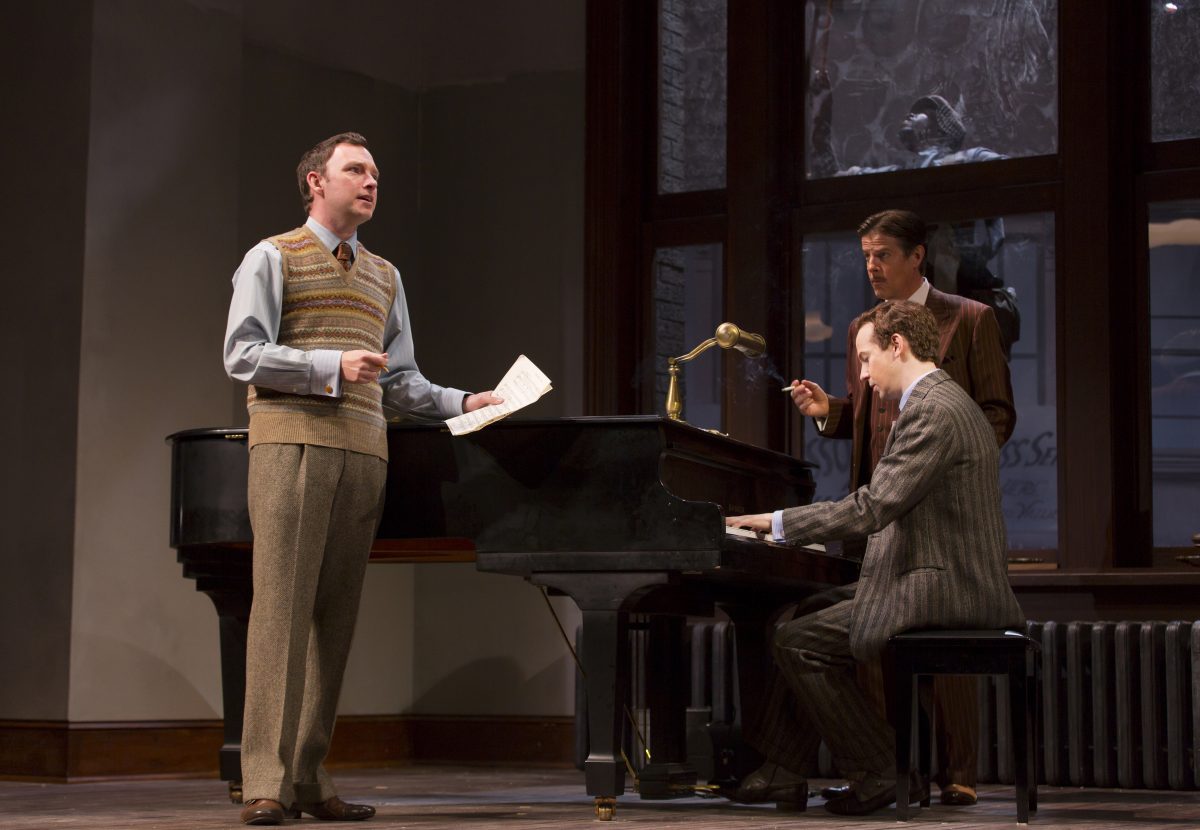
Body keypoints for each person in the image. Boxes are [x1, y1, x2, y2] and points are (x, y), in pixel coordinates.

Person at [223, 132, 501, 826]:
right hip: (292, 445)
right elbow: (243, 352)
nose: (371, 181)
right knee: (279, 614)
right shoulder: (273, 255)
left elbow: (403, 381)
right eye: (356, 170)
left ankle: (310, 776)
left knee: (334, 622)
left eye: (375, 172)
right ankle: (263, 780)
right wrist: (330, 367)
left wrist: (466, 402)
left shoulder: (386, 276)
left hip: (364, 450)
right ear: (316, 182)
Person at [737, 209, 1013, 809]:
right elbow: (869, 441)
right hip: (903, 546)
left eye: (866, 362)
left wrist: (775, 522)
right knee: (794, 617)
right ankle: (792, 765)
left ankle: (883, 768)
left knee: (801, 640)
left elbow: (880, 499)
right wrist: (830, 413)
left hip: (939, 572)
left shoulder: (945, 384)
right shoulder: (927, 392)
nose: (860, 374)